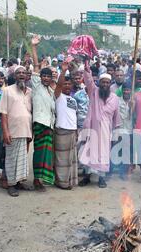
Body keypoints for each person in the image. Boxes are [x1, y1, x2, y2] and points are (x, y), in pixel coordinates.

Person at [78, 61, 121, 188]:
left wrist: (115, 133)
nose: (105, 84)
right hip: (92, 129)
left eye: (107, 83)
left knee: (103, 154)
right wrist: (86, 65)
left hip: (106, 132)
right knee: (88, 153)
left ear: (110, 84)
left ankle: (101, 178)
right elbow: (88, 79)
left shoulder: (114, 98)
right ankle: (87, 177)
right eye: (103, 82)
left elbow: (116, 118)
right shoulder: (94, 92)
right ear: (99, 83)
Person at [0, 66, 33, 197]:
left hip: (26, 130)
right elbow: (3, 113)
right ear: (14, 76)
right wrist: (5, 132)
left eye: (24, 73)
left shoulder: (29, 91)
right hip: (12, 131)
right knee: (11, 159)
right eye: (19, 73)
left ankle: (19, 182)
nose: (22, 75)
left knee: (22, 160)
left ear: (27, 76)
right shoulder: (7, 90)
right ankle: (11, 184)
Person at [31, 35, 57, 191]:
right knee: (39, 153)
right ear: (40, 77)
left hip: (49, 124)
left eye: (48, 76)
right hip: (40, 123)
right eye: (44, 76)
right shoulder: (36, 85)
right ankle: (36, 179)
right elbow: (35, 65)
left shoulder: (50, 91)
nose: (46, 78)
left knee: (46, 154)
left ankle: (43, 179)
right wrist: (34, 46)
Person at [53, 62, 79, 190]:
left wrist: (76, 131)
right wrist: (63, 71)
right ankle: (61, 182)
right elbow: (58, 85)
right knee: (61, 160)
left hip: (72, 132)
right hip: (61, 131)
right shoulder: (58, 96)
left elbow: (74, 116)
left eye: (69, 84)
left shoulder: (73, 100)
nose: (67, 86)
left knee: (70, 160)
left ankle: (68, 181)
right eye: (65, 84)